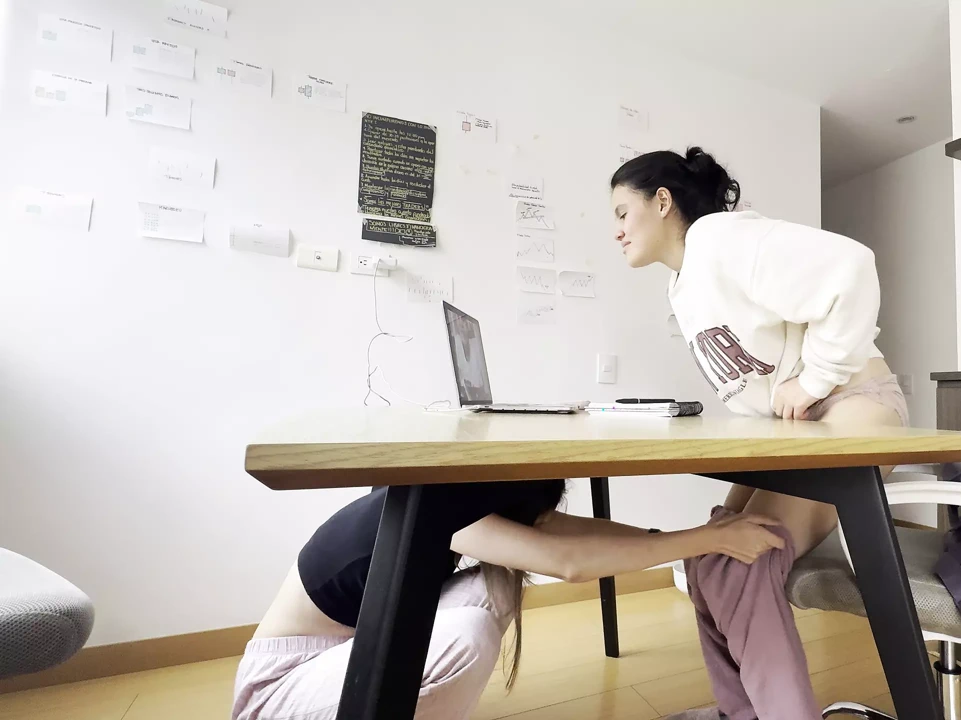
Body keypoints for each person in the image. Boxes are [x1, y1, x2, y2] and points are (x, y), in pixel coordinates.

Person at [609, 148, 909, 720]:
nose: (617, 232)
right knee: (709, 552)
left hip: (853, 403)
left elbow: (851, 267)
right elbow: (760, 388)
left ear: (663, 203)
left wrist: (815, 379)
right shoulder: (682, 287)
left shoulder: (719, 240)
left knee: (737, 561)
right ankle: (744, 713)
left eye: (623, 213)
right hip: (802, 428)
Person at [231, 480, 784, 720]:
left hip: (353, 650)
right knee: (470, 630)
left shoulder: (453, 492)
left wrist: (681, 541)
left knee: (491, 585)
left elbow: (570, 535)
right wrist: (710, 540)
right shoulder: (443, 509)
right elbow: (565, 562)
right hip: (281, 690)